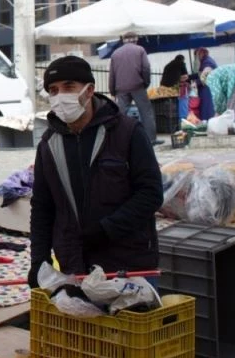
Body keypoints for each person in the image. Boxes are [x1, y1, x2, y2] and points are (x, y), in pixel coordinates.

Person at [28, 56, 163, 289]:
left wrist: (106, 229)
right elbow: (42, 206)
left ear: (89, 90)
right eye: (53, 90)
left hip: (129, 265)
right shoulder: (48, 144)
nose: (60, 96)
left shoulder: (127, 132)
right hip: (75, 265)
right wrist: (39, 259)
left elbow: (151, 193)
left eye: (69, 87)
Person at [109, 31, 160, 145]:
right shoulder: (140, 50)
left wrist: (112, 90)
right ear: (135, 39)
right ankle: (151, 139)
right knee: (146, 112)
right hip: (137, 86)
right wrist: (145, 83)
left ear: (123, 40)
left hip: (121, 88)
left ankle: (117, 139)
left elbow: (112, 74)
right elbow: (146, 68)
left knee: (120, 114)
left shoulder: (115, 54)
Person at [191, 47, 218, 121]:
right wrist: (189, 77)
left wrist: (196, 83)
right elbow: (200, 74)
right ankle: (206, 123)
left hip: (207, 89)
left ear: (201, 53)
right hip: (205, 89)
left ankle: (207, 124)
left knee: (207, 108)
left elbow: (206, 75)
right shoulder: (204, 61)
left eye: (196, 55)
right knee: (205, 108)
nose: (196, 58)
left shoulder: (208, 62)